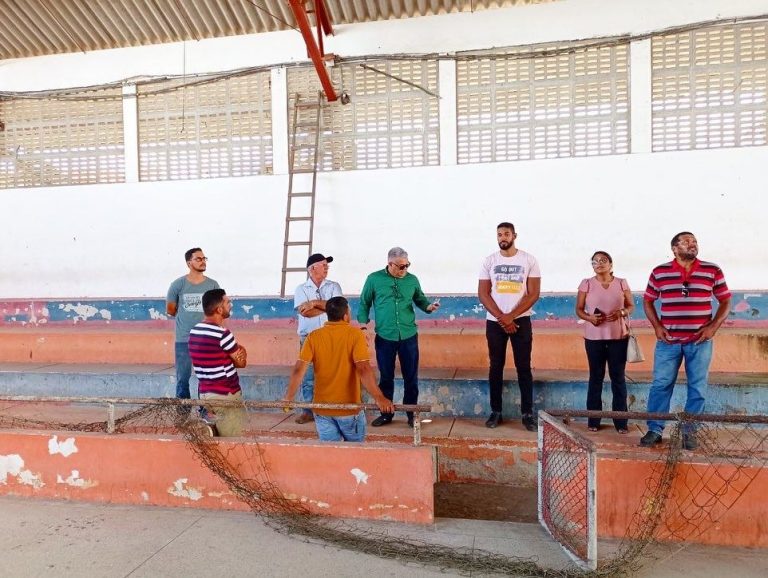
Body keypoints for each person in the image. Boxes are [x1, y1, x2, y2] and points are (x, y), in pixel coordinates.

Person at [639, 232, 731, 450]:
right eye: (687, 241)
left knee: (697, 387)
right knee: (661, 385)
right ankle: (655, 430)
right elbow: (648, 301)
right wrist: (657, 326)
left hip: (700, 342)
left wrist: (713, 327)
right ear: (674, 248)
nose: (693, 244)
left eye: (695, 241)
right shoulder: (659, 272)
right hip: (668, 342)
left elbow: (726, 301)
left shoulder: (712, 270)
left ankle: (690, 431)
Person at [283, 296, 394, 442]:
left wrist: (288, 398)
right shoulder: (355, 335)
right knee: (354, 452)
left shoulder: (313, 337)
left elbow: (299, 370)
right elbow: (363, 369)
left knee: (330, 452)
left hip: (322, 410)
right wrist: (379, 397)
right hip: (349, 410)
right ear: (346, 315)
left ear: (328, 315)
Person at [358, 247, 440, 428]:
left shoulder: (412, 280)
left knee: (411, 377)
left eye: (407, 265)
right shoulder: (374, 279)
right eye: (401, 266)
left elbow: (420, 299)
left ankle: (411, 415)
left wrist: (429, 307)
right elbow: (364, 302)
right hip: (385, 336)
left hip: (408, 335)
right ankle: (386, 414)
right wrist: (363, 326)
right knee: (386, 377)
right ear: (390, 264)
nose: (405, 270)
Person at [478, 222, 541, 430]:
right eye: (499, 234)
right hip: (495, 321)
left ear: (514, 235)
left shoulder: (529, 260)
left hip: (520, 320)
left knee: (524, 367)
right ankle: (496, 411)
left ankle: (527, 414)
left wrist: (511, 317)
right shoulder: (489, 261)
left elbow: (533, 294)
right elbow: (483, 294)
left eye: (506, 234)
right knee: (496, 367)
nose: (502, 237)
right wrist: (502, 318)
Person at [575, 251, 635, 434]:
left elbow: (631, 306)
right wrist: (590, 318)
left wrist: (621, 313)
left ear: (610, 264)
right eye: (595, 261)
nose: (599, 264)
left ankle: (621, 422)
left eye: (603, 260)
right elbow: (579, 310)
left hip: (618, 338)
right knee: (596, 377)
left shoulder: (622, 283)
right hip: (594, 339)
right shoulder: (586, 283)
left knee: (618, 378)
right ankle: (593, 420)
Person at [188, 289, 248, 437]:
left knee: (216, 438)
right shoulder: (223, 334)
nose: (230, 305)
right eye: (228, 302)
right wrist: (242, 350)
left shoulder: (194, 331)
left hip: (205, 394)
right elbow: (241, 363)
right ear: (219, 309)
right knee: (232, 441)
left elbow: (212, 359)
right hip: (225, 394)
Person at [293, 253, 343, 424]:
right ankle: (308, 411)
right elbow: (305, 313)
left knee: (331, 374)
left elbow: (339, 309)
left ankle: (331, 408)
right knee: (308, 376)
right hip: (309, 338)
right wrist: (328, 306)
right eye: (323, 264)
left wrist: (314, 302)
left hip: (331, 336)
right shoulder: (301, 289)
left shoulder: (334, 286)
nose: (327, 267)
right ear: (312, 268)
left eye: (327, 264)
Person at [166, 248, 220, 402]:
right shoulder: (178, 284)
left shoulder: (213, 285)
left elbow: (219, 310)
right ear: (189, 263)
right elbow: (170, 309)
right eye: (198, 259)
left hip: (206, 339)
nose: (203, 261)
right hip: (184, 339)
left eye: (204, 258)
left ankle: (205, 411)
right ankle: (183, 411)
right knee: (182, 378)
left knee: (207, 378)